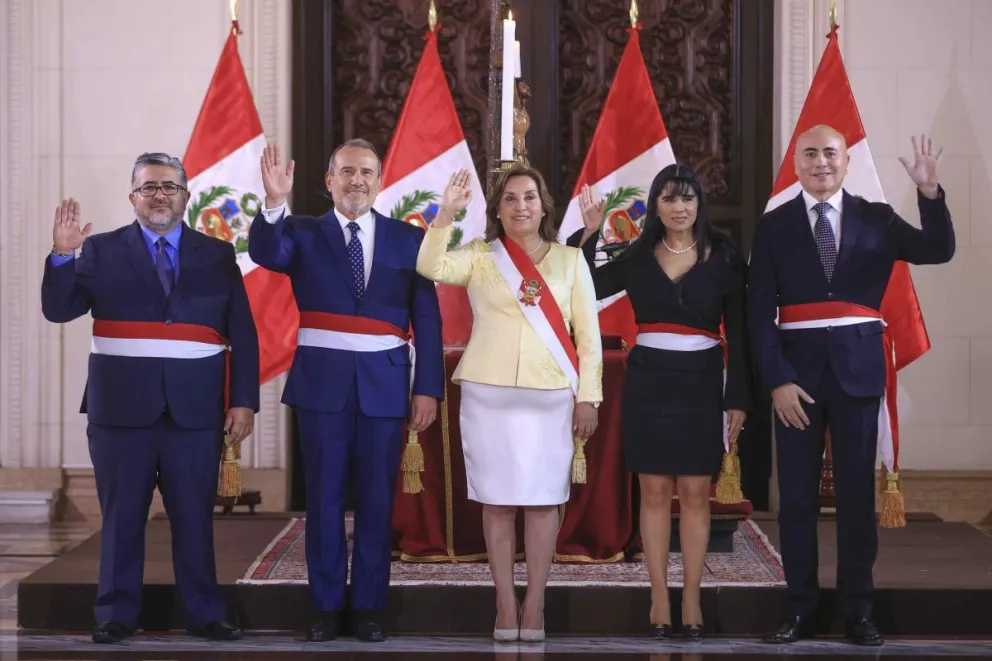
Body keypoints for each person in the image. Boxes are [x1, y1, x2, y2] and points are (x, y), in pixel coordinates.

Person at [748, 128, 955, 646]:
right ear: (796, 163)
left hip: (858, 375)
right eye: (810, 154)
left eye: (830, 153)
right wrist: (777, 380)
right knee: (797, 498)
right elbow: (758, 312)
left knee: (857, 498)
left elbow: (938, 249)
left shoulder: (877, 218)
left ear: (846, 161)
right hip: (795, 382)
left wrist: (929, 192)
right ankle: (800, 609)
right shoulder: (774, 226)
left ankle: (859, 610)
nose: (820, 162)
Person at [40, 152, 259, 644]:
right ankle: (115, 615)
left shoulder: (217, 254)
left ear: (186, 195)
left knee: (194, 520)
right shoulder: (98, 250)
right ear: (132, 197)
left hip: (195, 412)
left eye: (169, 187)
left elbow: (243, 333)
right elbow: (58, 309)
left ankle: (204, 613)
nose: (160, 195)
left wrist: (243, 401)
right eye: (149, 187)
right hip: (120, 412)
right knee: (121, 520)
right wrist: (62, 256)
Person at [248, 140, 444, 643]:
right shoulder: (301, 232)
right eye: (347, 172)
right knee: (324, 500)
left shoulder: (409, 238)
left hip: (386, 386)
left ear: (380, 181)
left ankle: (370, 609)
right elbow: (266, 253)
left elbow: (427, 318)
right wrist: (274, 202)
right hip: (322, 386)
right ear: (329, 180)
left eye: (367, 172)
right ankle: (325, 607)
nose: (357, 180)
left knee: (378, 503)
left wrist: (427, 388)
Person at [416, 165, 603, 643]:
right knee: (497, 502)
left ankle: (535, 601)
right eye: (511, 199)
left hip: (551, 398)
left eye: (530, 197)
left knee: (542, 502)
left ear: (544, 206)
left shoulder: (570, 260)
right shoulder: (481, 256)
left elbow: (589, 339)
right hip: (489, 395)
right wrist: (446, 214)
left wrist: (589, 396)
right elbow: (431, 267)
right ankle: (504, 601)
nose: (521, 206)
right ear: (497, 210)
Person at [566, 163, 750, 639]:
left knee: (695, 491)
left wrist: (738, 398)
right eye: (669, 198)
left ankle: (691, 595)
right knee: (652, 490)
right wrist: (590, 234)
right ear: (656, 206)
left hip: (702, 383)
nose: (679, 207)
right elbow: (583, 287)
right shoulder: (636, 255)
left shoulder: (725, 256)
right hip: (649, 382)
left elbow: (741, 335)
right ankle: (659, 595)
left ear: (699, 204)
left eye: (687, 198)